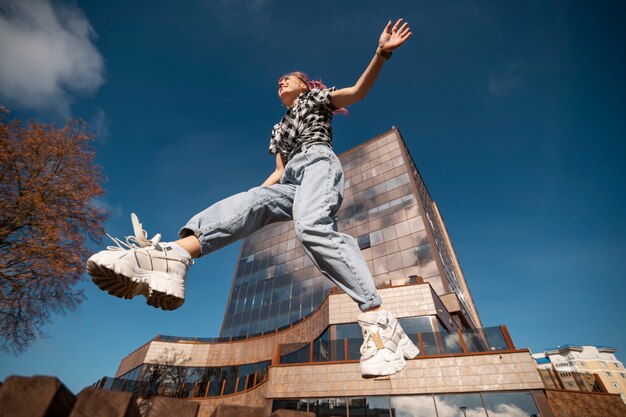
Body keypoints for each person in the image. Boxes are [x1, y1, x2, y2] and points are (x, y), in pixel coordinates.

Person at [88, 19, 418, 377]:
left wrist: (381, 54)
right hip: (290, 181)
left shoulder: (315, 98)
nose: (281, 81)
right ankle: (174, 255)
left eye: (288, 78)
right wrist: (255, 198)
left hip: (319, 165)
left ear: (304, 85)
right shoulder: (277, 129)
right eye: (279, 81)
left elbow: (356, 92)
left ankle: (377, 320)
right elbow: (278, 173)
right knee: (252, 201)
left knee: (311, 229)